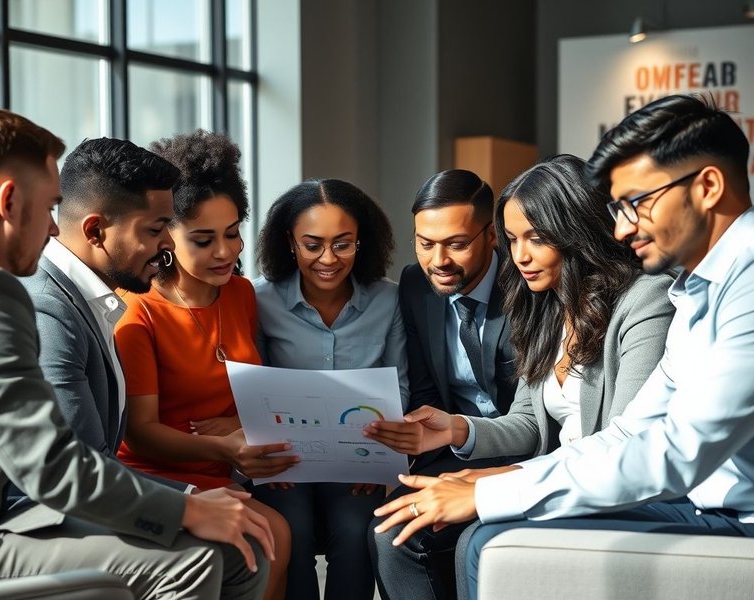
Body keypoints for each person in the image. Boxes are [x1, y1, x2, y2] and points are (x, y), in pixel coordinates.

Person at [371, 94, 754, 600]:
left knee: (486, 539)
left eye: (636, 203)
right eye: (617, 209)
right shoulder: (695, 290)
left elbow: (674, 452)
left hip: (730, 515)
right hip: (705, 503)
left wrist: (491, 490)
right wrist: (482, 477)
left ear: (707, 186)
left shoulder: (734, 286)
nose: (623, 228)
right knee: (449, 534)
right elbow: (633, 433)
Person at [0, 106, 272, 598]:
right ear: (10, 201)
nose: (54, 229)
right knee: (195, 561)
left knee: (236, 548)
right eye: (49, 208)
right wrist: (189, 504)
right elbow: (54, 464)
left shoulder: (66, 294)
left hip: (6, 513)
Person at [368, 153, 674, 597]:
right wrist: (456, 429)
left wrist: (500, 477)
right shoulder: (545, 302)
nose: (519, 256)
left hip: (602, 485)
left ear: (577, 230)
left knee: (473, 540)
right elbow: (529, 420)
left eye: (536, 238)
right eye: (513, 239)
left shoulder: (646, 300)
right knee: (394, 530)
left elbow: (624, 449)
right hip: (549, 471)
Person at [114, 129, 293, 600]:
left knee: (277, 532)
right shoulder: (138, 311)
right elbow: (139, 433)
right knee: (270, 534)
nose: (225, 251)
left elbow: (249, 389)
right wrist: (225, 449)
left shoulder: (241, 294)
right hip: (156, 474)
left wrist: (239, 428)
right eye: (203, 239)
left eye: (232, 233)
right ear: (165, 236)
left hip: (226, 467)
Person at [252, 178, 409, 600]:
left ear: (361, 242)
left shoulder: (389, 300)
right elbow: (253, 383)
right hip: (285, 461)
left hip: (359, 460)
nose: (328, 259)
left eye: (342, 244)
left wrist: (379, 461)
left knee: (357, 530)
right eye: (312, 245)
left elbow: (400, 386)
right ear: (290, 243)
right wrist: (265, 452)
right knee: (292, 529)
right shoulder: (259, 299)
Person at [367, 169, 518, 600]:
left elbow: (540, 415)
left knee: (467, 539)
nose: (439, 260)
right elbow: (427, 390)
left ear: (492, 235)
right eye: (425, 243)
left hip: (527, 451)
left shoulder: (526, 283)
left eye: (457, 244)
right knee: (389, 528)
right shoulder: (416, 284)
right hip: (453, 448)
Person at [19, 137, 191, 493]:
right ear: (95, 231)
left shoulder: (89, 297)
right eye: (155, 229)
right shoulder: (48, 314)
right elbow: (82, 471)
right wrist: (193, 502)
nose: (170, 244)